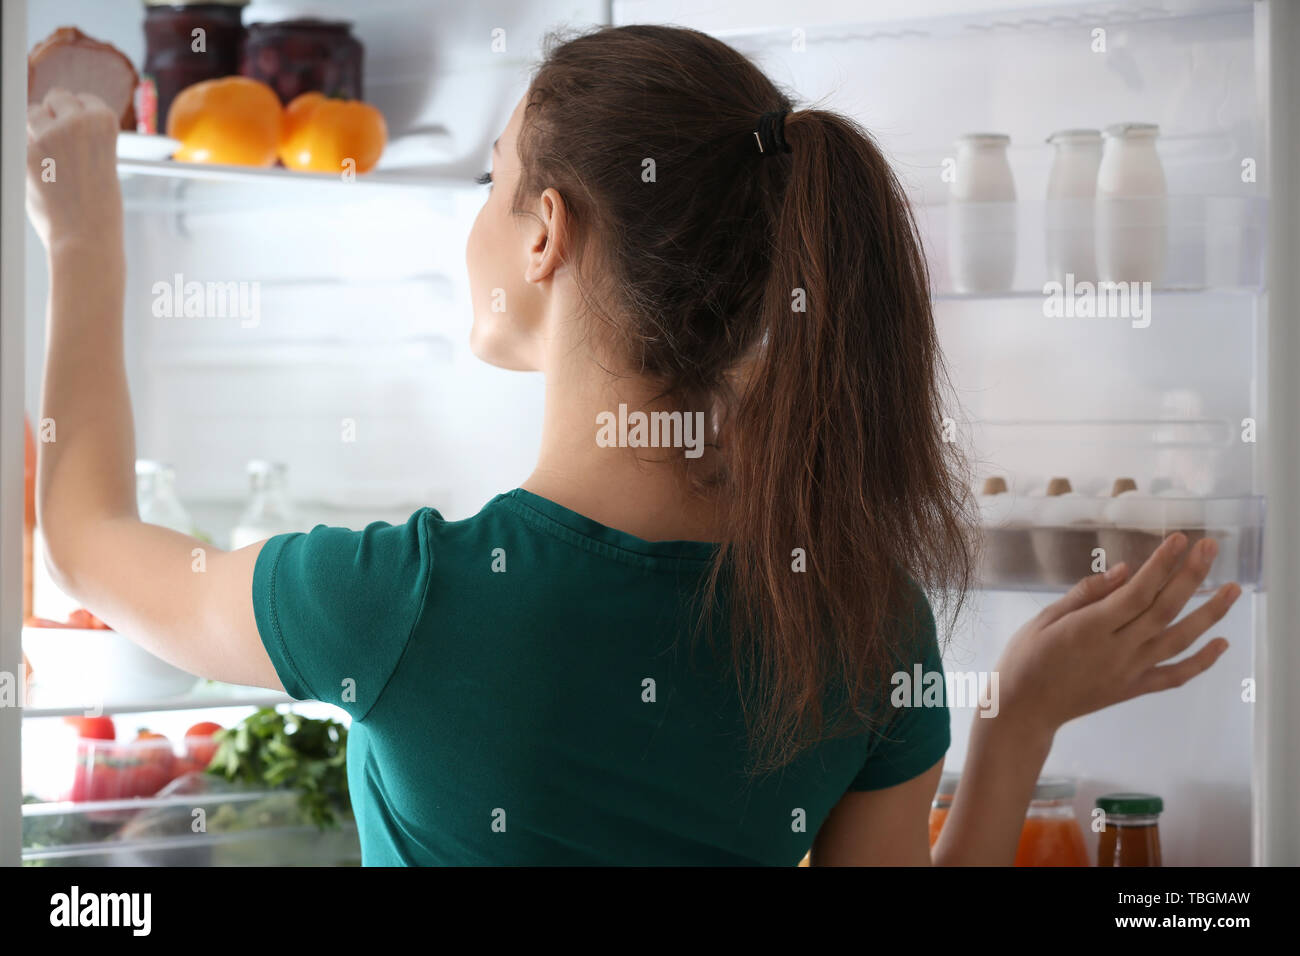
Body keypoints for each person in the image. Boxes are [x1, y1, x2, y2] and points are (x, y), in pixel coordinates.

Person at [24, 24, 1238, 865]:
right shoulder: (864, 618)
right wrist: (1014, 721)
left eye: (489, 181)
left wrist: (83, 237)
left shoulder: (397, 599)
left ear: (546, 231)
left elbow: (82, 544)